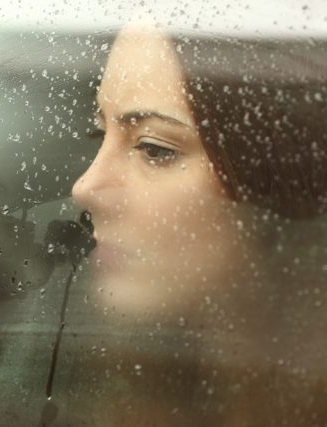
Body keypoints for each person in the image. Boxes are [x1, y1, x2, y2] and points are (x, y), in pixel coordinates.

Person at [71, 25, 327, 425]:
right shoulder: (144, 391)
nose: (84, 187)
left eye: (153, 148)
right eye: (99, 133)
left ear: (277, 180)